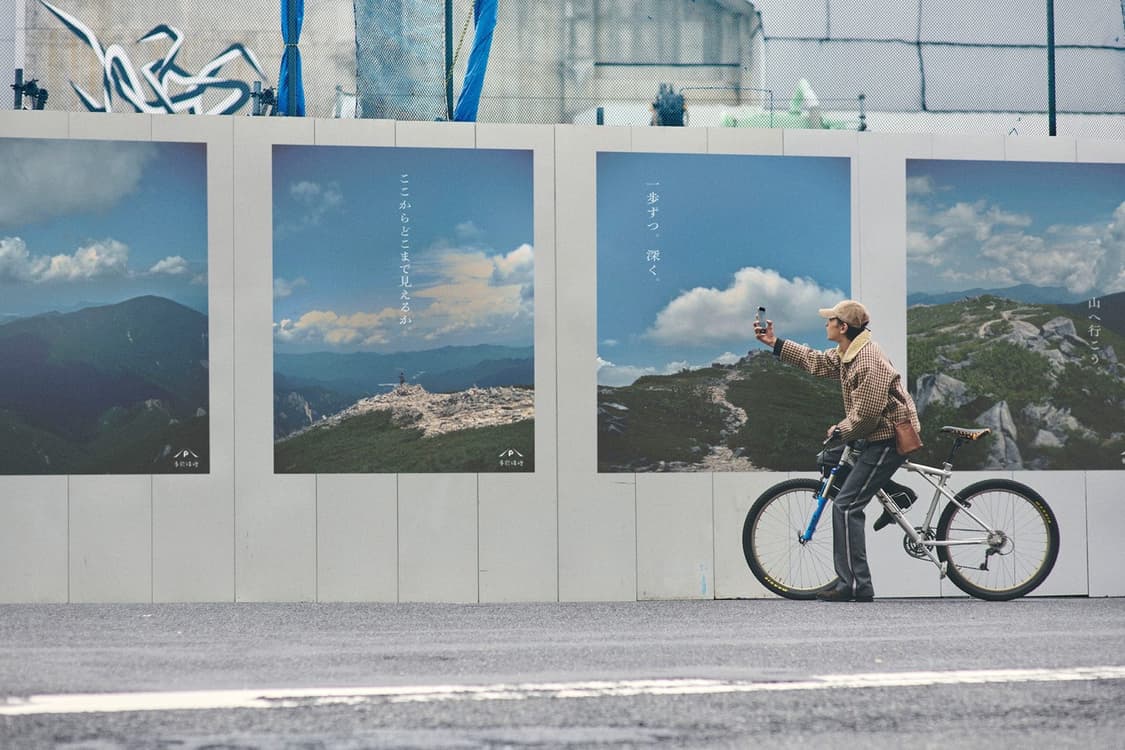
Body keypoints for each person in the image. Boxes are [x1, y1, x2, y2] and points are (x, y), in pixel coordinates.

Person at [753, 300, 921, 602]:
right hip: (872, 434)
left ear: (843, 327)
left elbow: (867, 414)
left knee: (845, 506)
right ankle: (896, 493)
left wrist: (840, 430)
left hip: (888, 438)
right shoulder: (848, 353)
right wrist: (774, 343)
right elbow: (815, 361)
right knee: (829, 459)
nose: (826, 324)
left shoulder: (868, 360)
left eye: (830, 320)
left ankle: (856, 585)